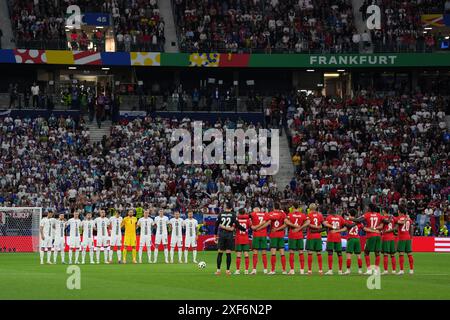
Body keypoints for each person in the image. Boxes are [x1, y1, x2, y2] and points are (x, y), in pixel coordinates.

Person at [351, 203, 384, 275]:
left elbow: (359, 220)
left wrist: (351, 218)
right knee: (377, 253)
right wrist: (376, 228)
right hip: (378, 235)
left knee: (366, 252)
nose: (367, 209)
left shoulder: (367, 214)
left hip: (370, 235)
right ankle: (376, 270)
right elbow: (383, 224)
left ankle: (369, 270)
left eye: (368, 207)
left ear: (370, 208)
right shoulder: (379, 215)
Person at [214, 202, 246, 276]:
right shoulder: (233, 215)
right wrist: (244, 229)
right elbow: (238, 225)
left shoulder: (220, 214)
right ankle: (228, 271)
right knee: (228, 252)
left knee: (220, 252)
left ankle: (218, 271)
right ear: (231, 208)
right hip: (229, 235)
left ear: (225, 208)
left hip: (221, 234)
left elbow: (216, 225)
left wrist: (215, 235)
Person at [284, 203, 309, 275]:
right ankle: (302, 270)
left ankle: (292, 270)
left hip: (292, 234)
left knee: (291, 252)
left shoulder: (290, 214)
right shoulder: (302, 215)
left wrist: (293, 225)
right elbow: (308, 221)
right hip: (300, 235)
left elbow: (285, 221)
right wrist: (300, 228)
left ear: (292, 207)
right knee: (301, 252)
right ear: (298, 207)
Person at [323, 209, 347, 275]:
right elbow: (345, 228)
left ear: (330, 212)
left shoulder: (329, 217)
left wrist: (332, 227)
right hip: (338, 237)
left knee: (330, 253)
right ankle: (340, 271)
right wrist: (338, 231)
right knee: (339, 253)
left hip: (331, 236)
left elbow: (324, 223)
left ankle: (330, 270)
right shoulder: (340, 218)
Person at [268, 202, 287, 275]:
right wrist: (278, 228)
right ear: (279, 207)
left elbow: (268, 222)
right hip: (281, 235)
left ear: (273, 207)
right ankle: (284, 270)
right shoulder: (283, 214)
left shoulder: (270, 214)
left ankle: (272, 270)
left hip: (273, 234)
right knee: (282, 253)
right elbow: (285, 224)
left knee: (273, 253)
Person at [249, 207, 270, 275]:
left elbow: (248, 218)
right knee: (264, 253)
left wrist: (256, 227)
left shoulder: (253, 214)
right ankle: (265, 270)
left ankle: (254, 270)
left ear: (255, 210)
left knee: (255, 252)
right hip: (264, 234)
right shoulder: (265, 214)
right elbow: (269, 222)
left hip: (256, 234)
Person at [306, 203, 325, 275]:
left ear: (310, 208)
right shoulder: (320, 215)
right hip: (318, 236)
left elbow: (308, 224)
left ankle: (309, 270)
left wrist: (314, 226)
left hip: (311, 235)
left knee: (310, 253)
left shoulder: (309, 215)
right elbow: (322, 224)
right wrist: (318, 227)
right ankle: (320, 270)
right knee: (319, 253)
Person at [395, 209, 414, 275]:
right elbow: (412, 228)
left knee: (401, 254)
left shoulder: (398, 218)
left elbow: (396, 227)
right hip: (408, 237)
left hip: (402, 238)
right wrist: (411, 237)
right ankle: (411, 270)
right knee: (409, 254)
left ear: (399, 211)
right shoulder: (408, 218)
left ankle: (401, 270)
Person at [344, 209, 363, 274]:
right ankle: (360, 270)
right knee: (358, 255)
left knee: (349, 255)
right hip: (357, 239)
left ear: (349, 213)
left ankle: (348, 270)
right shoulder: (358, 222)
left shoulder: (348, 220)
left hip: (351, 239)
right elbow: (363, 228)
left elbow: (346, 227)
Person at [234, 208, 252, 275]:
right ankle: (246, 270)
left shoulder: (237, 219)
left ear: (239, 213)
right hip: (245, 238)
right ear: (245, 212)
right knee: (246, 254)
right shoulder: (248, 219)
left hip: (238, 238)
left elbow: (234, 227)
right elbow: (251, 226)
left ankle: (237, 270)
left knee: (238, 255)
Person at [380, 210, 397, 275]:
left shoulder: (382, 218)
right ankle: (394, 270)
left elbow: (381, 227)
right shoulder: (393, 218)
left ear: (384, 211)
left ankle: (385, 270)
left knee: (385, 254)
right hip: (392, 237)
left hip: (385, 237)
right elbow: (397, 224)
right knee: (392, 255)